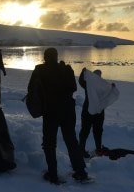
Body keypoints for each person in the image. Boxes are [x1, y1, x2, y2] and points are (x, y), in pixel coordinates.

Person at [27, 47, 89, 184]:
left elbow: (31, 89)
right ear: (56, 56)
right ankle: (80, 172)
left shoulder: (39, 70)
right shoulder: (66, 69)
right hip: (68, 110)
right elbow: (73, 87)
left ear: (45, 57)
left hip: (50, 111)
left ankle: (53, 174)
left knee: (49, 143)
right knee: (71, 141)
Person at [78, 68, 114, 157]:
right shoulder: (89, 85)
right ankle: (86, 149)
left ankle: (92, 149)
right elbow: (81, 81)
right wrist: (82, 73)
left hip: (92, 112)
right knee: (91, 131)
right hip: (95, 112)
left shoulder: (94, 85)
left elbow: (81, 81)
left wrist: (111, 88)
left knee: (89, 131)